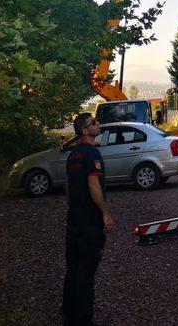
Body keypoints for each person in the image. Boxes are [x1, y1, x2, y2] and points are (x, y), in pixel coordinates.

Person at [62, 112, 113, 326]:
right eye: (94, 123)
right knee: (86, 271)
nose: (98, 124)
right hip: (89, 223)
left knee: (72, 268)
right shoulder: (92, 154)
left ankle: (69, 314)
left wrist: (73, 207)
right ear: (85, 131)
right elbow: (93, 185)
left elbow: (67, 187)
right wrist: (105, 213)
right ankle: (82, 319)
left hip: (74, 220)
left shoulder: (73, 155)